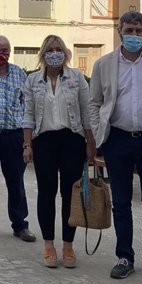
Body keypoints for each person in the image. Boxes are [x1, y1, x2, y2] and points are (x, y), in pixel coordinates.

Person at [89, 11, 142, 280]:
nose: (134, 35)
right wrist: (99, 132)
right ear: (119, 31)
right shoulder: (104, 64)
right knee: (122, 203)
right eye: (129, 30)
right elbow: (94, 102)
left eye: (139, 30)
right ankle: (124, 256)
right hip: (118, 139)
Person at [23, 35, 95, 269]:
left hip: (72, 139)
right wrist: (27, 145)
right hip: (44, 141)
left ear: (65, 53)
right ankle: (48, 245)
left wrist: (90, 145)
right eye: (50, 50)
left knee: (69, 194)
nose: (55, 53)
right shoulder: (33, 80)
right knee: (46, 193)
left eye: (59, 49)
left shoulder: (76, 78)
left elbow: (87, 112)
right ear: (43, 54)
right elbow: (28, 115)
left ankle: (67, 245)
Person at [0, 35, 36, 242]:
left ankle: (20, 225)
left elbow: (27, 105)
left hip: (14, 135)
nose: (0, 54)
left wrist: (28, 139)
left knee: (16, 182)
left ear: (9, 52)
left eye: (4, 50)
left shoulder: (20, 74)